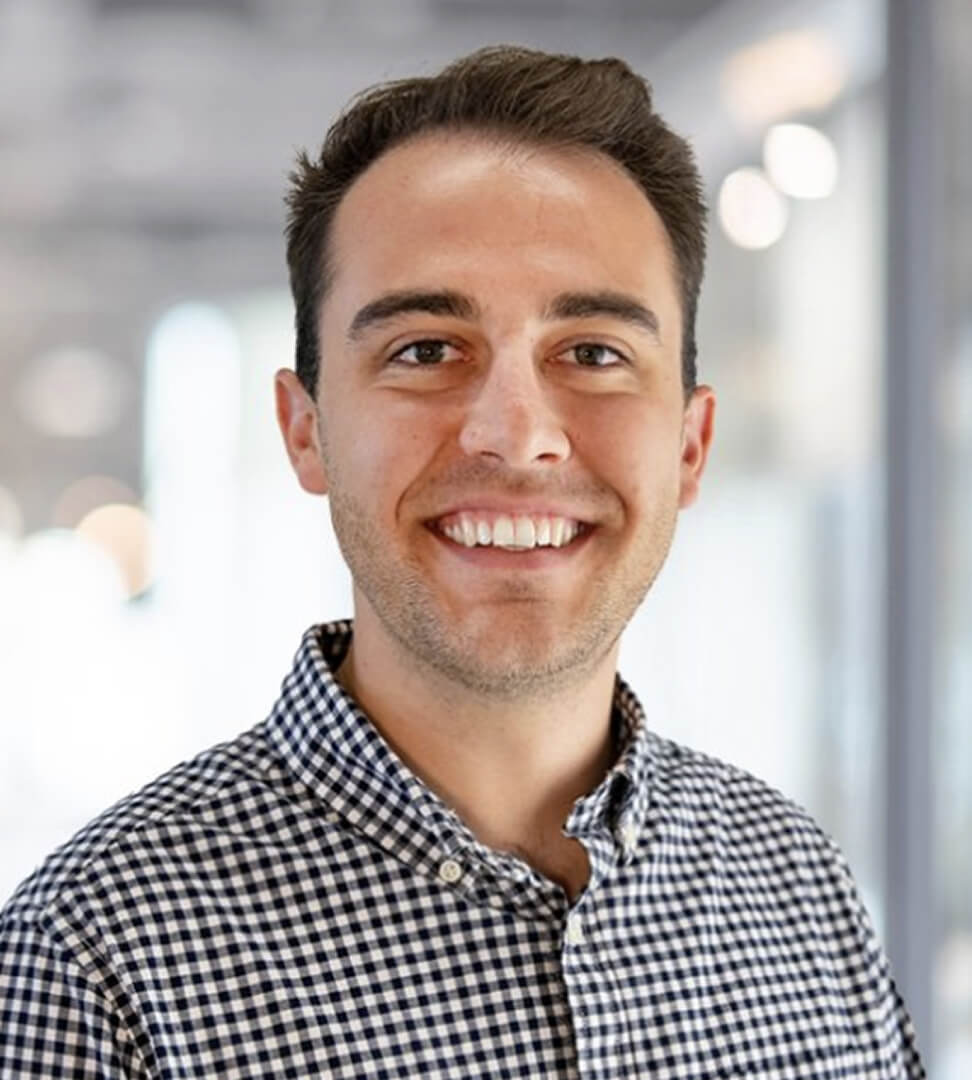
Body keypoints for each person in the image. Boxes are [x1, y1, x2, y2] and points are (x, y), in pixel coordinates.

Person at [0, 45, 924, 1078]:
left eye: (594, 353)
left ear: (691, 445)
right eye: (427, 350)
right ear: (305, 431)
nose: (515, 434)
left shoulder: (797, 888)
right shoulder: (95, 962)